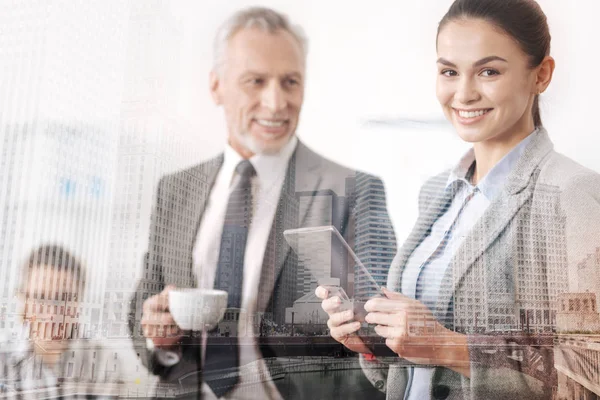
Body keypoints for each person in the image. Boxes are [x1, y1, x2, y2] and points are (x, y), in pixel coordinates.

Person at [317, 0, 600, 398]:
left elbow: (590, 372)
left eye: (489, 71)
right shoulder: (438, 192)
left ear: (542, 75)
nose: (464, 93)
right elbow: (414, 370)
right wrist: (373, 341)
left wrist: (446, 346)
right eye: (449, 71)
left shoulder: (574, 194)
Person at [130, 6, 396, 400]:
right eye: (255, 81)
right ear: (216, 85)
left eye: (290, 82)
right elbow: (143, 304)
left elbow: (386, 335)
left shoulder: (353, 191)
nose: (276, 103)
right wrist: (159, 338)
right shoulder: (176, 190)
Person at [0, 244, 122, 399]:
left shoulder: (105, 362)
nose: (52, 313)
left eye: (63, 299)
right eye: (40, 297)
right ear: (23, 298)